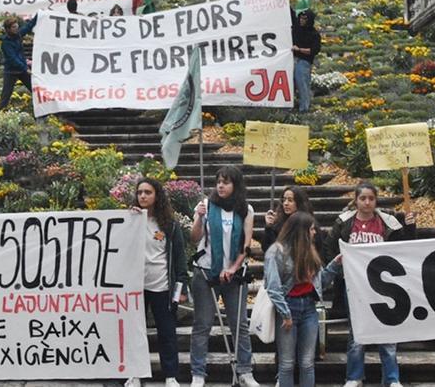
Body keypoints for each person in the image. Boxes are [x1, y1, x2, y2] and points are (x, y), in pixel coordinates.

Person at [325, 182, 415, 387]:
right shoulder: (344, 222)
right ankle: (354, 376)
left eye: (371, 198)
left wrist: (410, 227)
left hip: (384, 286)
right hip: (354, 286)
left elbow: (406, 247)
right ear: (355, 201)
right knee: (357, 331)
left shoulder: (389, 222)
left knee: (388, 330)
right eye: (363, 198)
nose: (367, 202)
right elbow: (329, 248)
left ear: (376, 200)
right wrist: (340, 272)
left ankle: (392, 378)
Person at [189, 165, 259, 387]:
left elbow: (246, 245)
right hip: (206, 271)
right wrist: (199, 218)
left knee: (240, 325)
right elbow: (194, 237)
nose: (221, 185)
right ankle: (198, 373)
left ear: (235, 185)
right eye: (218, 181)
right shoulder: (206, 205)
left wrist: (233, 268)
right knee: (202, 325)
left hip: (234, 275)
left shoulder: (246, 209)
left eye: (226, 182)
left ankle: (245, 371)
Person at [263, 212, 341, 387]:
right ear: (301, 231)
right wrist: (285, 313)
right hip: (288, 307)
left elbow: (321, 283)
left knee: (307, 363)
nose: (315, 233)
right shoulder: (277, 251)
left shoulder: (311, 252)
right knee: (287, 363)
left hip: (309, 308)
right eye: (312, 229)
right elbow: (273, 287)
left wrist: (334, 265)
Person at [126, 178, 188, 387]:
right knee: (135, 332)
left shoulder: (169, 225)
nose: (143, 196)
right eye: (140, 192)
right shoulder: (130, 219)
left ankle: (170, 375)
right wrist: (129, 220)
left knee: (167, 332)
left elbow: (180, 258)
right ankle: (135, 374)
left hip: (162, 285)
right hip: (136, 287)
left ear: (157, 196)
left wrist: (181, 287)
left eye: (148, 192)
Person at [261, 185, 319, 255]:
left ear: (299, 203)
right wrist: (268, 227)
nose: (285, 203)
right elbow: (267, 249)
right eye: (284, 200)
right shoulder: (278, 223)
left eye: (290, 200)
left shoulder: (309, 224)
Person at [0, 15, 36, 110]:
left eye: (17, 26)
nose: (16, 28)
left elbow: (28, 27)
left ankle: (43, 109)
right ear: (8, 29)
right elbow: (12, 59)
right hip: (11, 72)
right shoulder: (5, 43)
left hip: (22, 70)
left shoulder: (18, 35)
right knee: (6, 95)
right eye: (14, 27)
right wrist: (25, 68)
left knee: (35, 90)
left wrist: (39, 15)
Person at [291, 9, 321, 112]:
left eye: (304, 19)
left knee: (302, 84)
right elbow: (291, 14)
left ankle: (304, 108)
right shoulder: (296, 29)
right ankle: (291, 106)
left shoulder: (314, 34)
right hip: (292, 59)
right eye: (301, 18)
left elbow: (314, 50)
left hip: (304, 62)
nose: (301, 20)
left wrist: (299, 50)